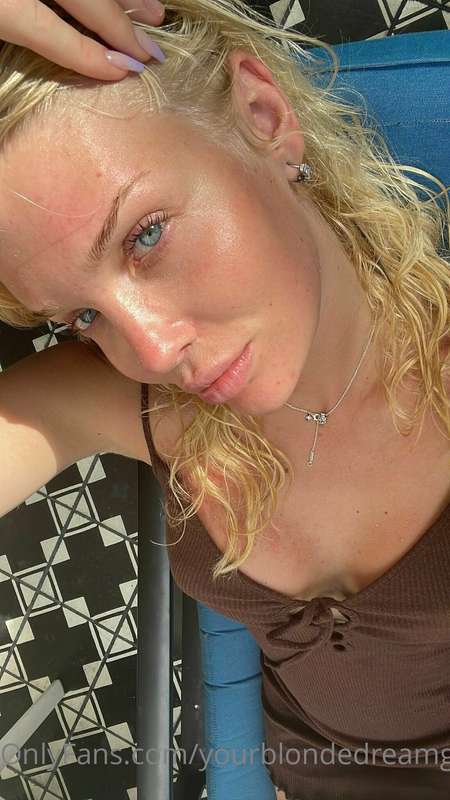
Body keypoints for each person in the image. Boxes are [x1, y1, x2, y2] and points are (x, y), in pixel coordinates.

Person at [0, 1, 449, 798]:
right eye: (81, 316)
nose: (149, 352)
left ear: (264, 118)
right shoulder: (145, 408)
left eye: (146, 234)